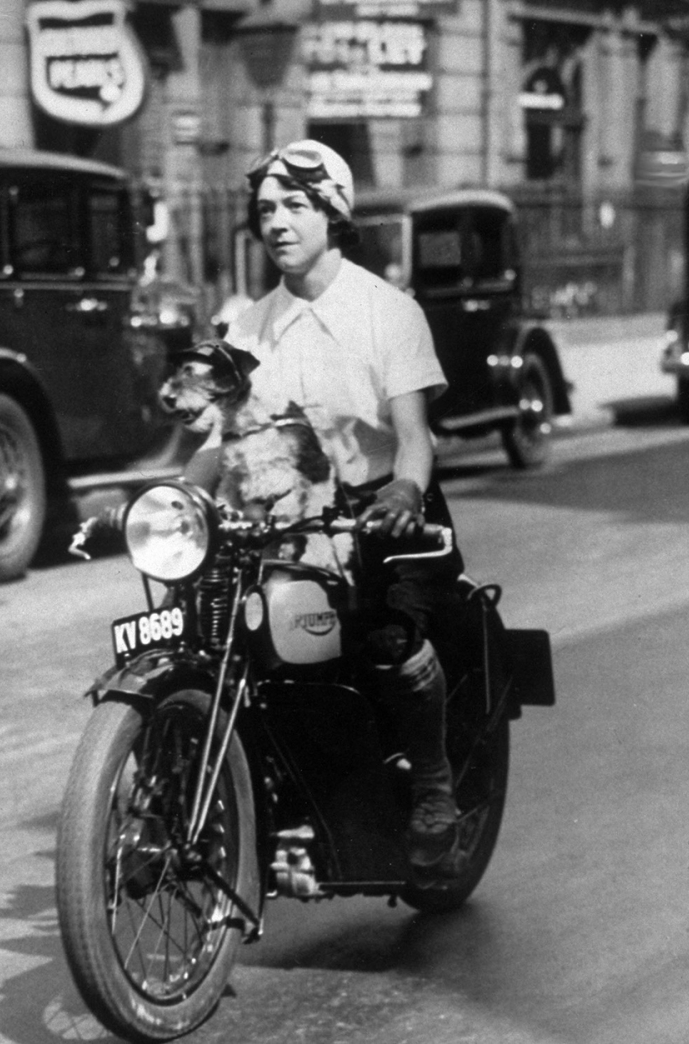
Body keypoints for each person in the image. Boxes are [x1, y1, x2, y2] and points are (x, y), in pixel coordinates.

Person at [223, 139, 464, 879]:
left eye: (295, 205)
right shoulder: (244, 325)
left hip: (379, 510)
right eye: (266, 209)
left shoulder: (387, 312)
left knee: (386, 638)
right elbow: (216, 439)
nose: (278, 222)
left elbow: (415, 437)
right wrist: (173, 500)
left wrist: (402, 492)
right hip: (290, 513)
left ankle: (431, 785)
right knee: (221, 628)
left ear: (332, 211)